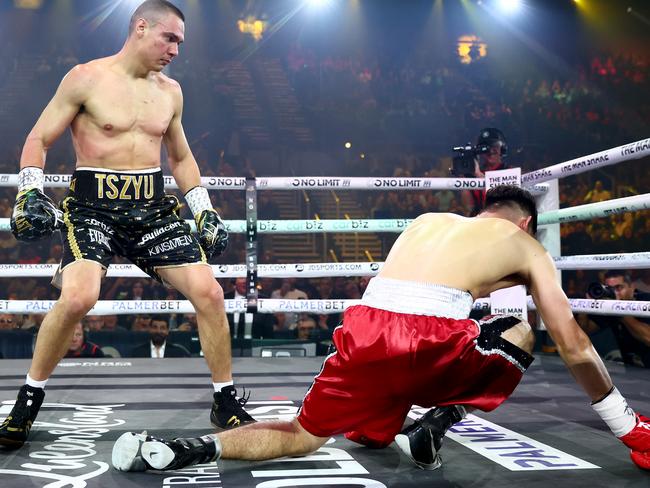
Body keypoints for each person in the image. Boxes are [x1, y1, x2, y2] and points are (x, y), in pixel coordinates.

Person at [112, 185, 650, 472]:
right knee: (520, 333)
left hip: (365, 331)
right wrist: (627, 427)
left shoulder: (425, 224)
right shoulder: (525, 245)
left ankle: (190, 450)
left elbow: (406, 298)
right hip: (429, 339)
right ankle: (439, 420)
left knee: (305, 434)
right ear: (526, 223)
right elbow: (575, 345)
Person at [0, 0, 253, 450]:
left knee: (210, 292)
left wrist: (204, 209)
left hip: (152, 208)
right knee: (80, 296)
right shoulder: (86, 79)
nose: (176, 49)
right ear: (141, 27)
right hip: (92, 207)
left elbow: (179, 156)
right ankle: (27, 401)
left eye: (180, 42)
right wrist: (29, 190)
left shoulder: (171, 91)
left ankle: (225, 399)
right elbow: (38, 137)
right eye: (169, 38)